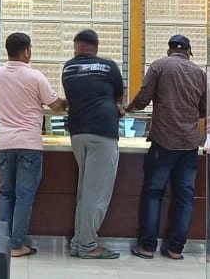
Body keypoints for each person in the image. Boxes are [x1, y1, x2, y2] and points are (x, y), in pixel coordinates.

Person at [126, 34, 207, 261]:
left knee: (154, 192)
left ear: (169, 50)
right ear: (189, 52)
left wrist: (127, 109)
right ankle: (175, 248)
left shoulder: (159, 66)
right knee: (185, 196)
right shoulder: (199, 73)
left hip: (163, 141)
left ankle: (147, 247)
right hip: (189, 144)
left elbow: (143, 98)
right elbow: (204, 108)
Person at [0, 32, 67, 257]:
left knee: (5, 194)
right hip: (29, 144)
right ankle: (16, 245)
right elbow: (56, 106)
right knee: (24, 196)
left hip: (4, 143)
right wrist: (67, 100)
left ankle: (3, 243)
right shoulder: (35, 77)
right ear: (27, 51)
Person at [60, 28, 125, 259]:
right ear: (96, 48)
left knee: (85, 192)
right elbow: (119, 97)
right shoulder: (109, 66)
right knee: (96, 195)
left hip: (77, 133)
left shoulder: (68, 68)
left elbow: (73, 96)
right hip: (103, 132)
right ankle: (88, 245)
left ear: (77, 47)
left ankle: (79, 242)